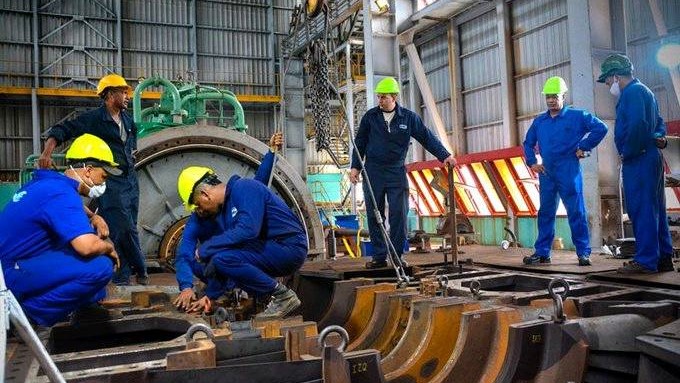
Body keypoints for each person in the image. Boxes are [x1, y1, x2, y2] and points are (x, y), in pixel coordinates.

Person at [175, 134, 308, 318]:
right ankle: (265, 297)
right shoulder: (228, 203)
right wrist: (203, 294)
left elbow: (248, 229)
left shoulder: (243, 188)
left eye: (198, 204)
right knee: (220, 258)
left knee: (221, 257)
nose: (198, 210)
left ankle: (281, 296)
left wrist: (206, 248)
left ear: (205, 194)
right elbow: (185, 254)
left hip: (288, 247)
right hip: (270, 249)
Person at [38, 74, 148, 285]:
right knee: (123, 227)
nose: (127, 96)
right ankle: (140, 269)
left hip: (130, 179)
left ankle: (121, 277)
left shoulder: (127, 120)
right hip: (111, 180)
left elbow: (130, 144)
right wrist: (46, 153)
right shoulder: (95, 119)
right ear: (109, 95)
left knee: (126, 226)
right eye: (122, 92)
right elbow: (62, 130)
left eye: (127, 92)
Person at [0, 134, 121, 326]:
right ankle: (26, 315)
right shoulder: (62, 194)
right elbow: (86, 247)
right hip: (10, 275)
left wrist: (93, 216)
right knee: (101, 266)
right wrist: (108, 248)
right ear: (88, 171)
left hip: (14, 265)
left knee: (95, 287)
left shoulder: (47, 183)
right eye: (103, 176)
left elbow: (56, 205)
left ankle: (84, 307)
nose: (102, 183)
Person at [349, 76, 456, 269]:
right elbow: (360, 143)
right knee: (375, 214)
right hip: (373, 171)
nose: (380, 100)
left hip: (396, 171)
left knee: (399, 214)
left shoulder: (409, 118)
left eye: (384, 97)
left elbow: (426, 137)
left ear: (395, 97)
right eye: (379, 97)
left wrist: (445, 156)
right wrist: (355, 167)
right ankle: (379, 257)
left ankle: (397, 256)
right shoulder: (370, 118)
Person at [597, 54, 674, 274]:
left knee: (642, 210)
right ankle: (663, 258)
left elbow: (638, 125)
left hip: (638, 158)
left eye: (609, 81)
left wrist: (627, 152)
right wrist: (659, 137)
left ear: (615, 76)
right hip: (651, 156)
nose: (609, 86)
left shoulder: (631, 93)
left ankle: (646, 260)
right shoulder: (646, 91)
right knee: (655, 208)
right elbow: (658, 123)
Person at [522, 76, 608, 266]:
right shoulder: (539, 121)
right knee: (545, 212)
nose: (551, 100)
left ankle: (583, 253)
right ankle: (542, 252)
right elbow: (528, 143)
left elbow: (601, 128)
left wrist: (584, 146)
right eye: (548, 97)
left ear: (563, 96)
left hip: (569, 170)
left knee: (576, 212)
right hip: (547, 172)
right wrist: (532, 162)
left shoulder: (578, 116)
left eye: (555, 96)